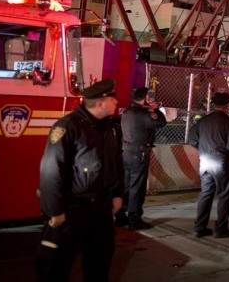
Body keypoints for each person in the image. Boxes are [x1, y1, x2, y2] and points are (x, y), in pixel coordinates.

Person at [35, 78, 124, 282]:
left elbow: (117, 163)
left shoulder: (110, 128)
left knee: (100, 264)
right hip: (73, 210)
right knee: (56, 266)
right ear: (100, 102)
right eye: (113, 99)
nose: (116, 103)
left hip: (101, 209)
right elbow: (51, 169)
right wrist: (55, 211)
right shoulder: (67, 127)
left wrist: (118, 194)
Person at [188, 91, 229, 238]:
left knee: (206, 193)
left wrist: (204, 149)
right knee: (224, 194)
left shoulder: (204, 120)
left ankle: (199, 227)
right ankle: (221, 229)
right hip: (221, 162)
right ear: (227, 106)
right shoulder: (228, 122)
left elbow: (192, 138)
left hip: (205, 161)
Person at [121, 86, 167, 230]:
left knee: (126, 184)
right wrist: (156, 109)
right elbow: (161, 123)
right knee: (137, 187)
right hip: (139, 153)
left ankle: (121, 216)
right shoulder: (142, 114)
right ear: (146, 98)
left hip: (126, 152)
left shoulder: (127, 112)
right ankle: (135, 219)